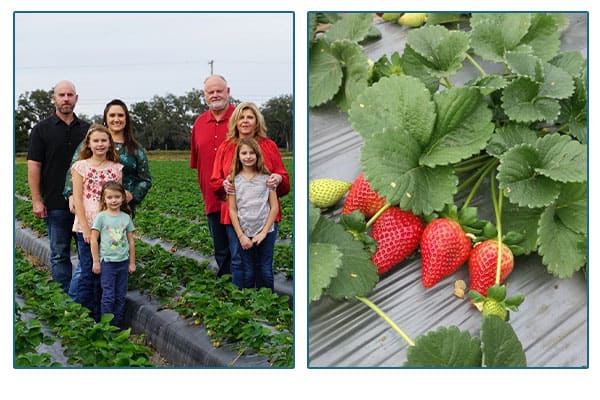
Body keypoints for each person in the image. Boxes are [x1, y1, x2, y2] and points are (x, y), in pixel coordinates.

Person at [64, 99, 152, 299]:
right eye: (112, 115)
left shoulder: (135, 149)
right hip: (90, 209)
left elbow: (145, 179)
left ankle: (104, 304)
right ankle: (76, 307)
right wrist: (70, 194)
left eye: (120, 115)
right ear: (106, 118)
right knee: (88, 265)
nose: (116, 119)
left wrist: (131, 194)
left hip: (118, 211)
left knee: (112, 259)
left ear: (127, 119)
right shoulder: (95, 140)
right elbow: (75, 170)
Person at [210, 102, 290, 289]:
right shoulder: (226, 147)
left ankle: (264, 300)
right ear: (235, 121)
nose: (245, 121)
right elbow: (215, 181)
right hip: (235, 216)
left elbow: (283, 178)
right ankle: (242, 300)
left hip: (265, 213)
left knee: (263, 261)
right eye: (241, 117)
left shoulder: (269, 146)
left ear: (257, 122)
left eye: (250, 117)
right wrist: (223, 183)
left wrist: (278, 178)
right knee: (238, 258)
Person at [27, 80, 90, 292]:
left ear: (76, 99)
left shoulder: (87, 130)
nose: (66, 99)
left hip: (84, 205)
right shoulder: (41, 130)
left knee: (87, 252)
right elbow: (34, 166)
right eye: (61, 95)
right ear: (54, 98)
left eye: (70, 95)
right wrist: (37, 199)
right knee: (59, 253)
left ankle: (82, 297)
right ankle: (65, 301)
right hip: (55, 203)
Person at [71, 124, 123, 321]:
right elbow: (77, 199)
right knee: (88, 271)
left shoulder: (116, 169)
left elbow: (117, 200)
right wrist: (85, 228)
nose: (100, 144)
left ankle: (101, 317)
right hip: (86, 226)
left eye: (104, 140)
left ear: (110, 143)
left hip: (110, 229)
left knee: (106, 274)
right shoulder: (80, 167)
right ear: (89, 144)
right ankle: (83, 316)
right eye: (96, 141)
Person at [190, 75, 236, 278]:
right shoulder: (199, 123)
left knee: (241, 245)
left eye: (219, 90)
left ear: (228, 91)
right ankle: (228, 286)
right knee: (221, 246)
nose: (215, 95)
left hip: (241, 196)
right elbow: (196, 160)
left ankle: (246, 287)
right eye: (211, 92)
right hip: (212, 197)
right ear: (204, 95)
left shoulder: (241, 118)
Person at [227, 138, 279, 290]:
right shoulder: (234, 180)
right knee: (248, 271)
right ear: (238, 156)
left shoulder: (267, 178)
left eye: (252, 153)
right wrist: (241, 236)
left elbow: (274, 207)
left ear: (257, 155)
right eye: (244, 153)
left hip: (266, 231)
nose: (248, 156)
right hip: (245, 231)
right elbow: (232, 209)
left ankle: (268, 302)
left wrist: (263, 233)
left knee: (265, 269)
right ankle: (250, 302)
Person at [90, 181, 136, 327]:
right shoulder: (101, 217)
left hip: (123, 262)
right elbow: (93, 240)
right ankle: (106, 325)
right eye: (110, 197)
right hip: (108, 263)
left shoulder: (126, 217)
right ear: (104, 199)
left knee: (120, 296)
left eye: (117, 196)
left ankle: (116, 325)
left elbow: (131, 242)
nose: (114, 200)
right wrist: (96, 262)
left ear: (123, 198)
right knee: (108, 296)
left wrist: (132, 262)